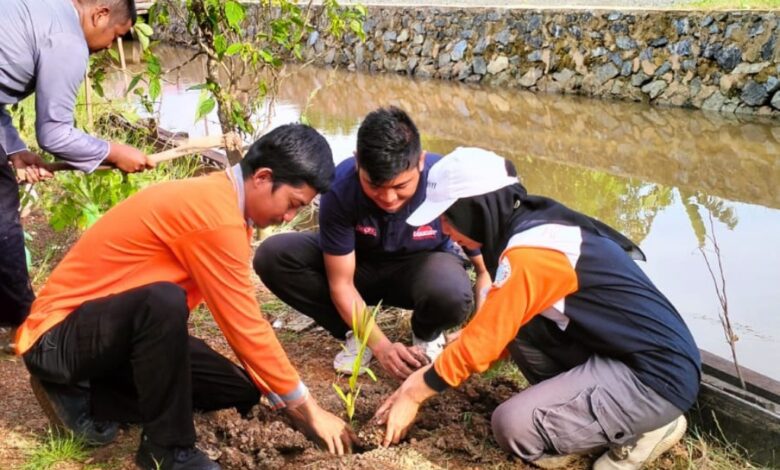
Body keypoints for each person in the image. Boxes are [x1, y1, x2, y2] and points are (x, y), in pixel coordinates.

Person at [15, 124, 356, 470]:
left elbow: (241, 327)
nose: (288, 217)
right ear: (263, 177)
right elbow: (244, 325)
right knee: (162, 302)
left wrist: (280, 397)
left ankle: (85, 393)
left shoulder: (226, 206)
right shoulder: (214, 215)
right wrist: (308, 410)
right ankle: (166, 449)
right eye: (292, 204)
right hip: (56, 339)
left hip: (112, 337)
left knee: (238, 391)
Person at [375, 148, 701, 470]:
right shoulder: (532, 222)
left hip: (654, 377)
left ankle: (646, 429)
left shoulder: (531, 253)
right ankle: (593, 419)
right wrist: (459, 347)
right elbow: (498, 325)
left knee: (513, 427)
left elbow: (484, 342)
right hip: (618, 352)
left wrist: (413, 393)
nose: (444, 229)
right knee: (515, 328)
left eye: (448, 217)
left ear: (476, 210)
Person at [255, 107, 491, 381]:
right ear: (358, 163)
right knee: (274, 255)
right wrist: (380, 345)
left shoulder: (445, 182)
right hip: (358, 266)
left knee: (451, 292)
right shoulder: (341, 186)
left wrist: (481, 330)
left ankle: (426, 333)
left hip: (421, 269)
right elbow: (341, 283)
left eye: (401, 186)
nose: (389, 198)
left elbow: (485, 271)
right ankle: (354, 331)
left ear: (421, 162)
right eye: (375, 186)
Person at [1, 0, 152, 329]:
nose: (112, 46)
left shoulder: (40, 8)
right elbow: (54, 134)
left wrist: (14, 149)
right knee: (2, 217)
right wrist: (113, 151)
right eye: (116, 35)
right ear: (100, 14)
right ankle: (25, 324)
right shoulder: (69, 39)